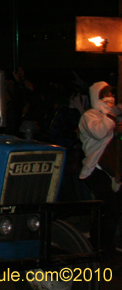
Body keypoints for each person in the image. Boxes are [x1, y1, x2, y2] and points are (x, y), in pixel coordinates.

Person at [78, 81, 122, 262]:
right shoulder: (90, 116)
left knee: (110, 210)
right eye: (105, 95)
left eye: (112, 95)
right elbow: (99, 132)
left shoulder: (111, 117)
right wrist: (113, 116)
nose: (110, 99)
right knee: (109, 209)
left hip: (113, 171)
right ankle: (103, 249)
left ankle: (102, 245)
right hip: (96, 169)